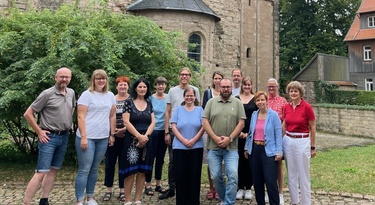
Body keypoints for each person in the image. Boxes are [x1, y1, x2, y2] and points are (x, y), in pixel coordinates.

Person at [23, 67, 75, 205]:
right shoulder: (47, 94)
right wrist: (39, 131)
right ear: (55, 77)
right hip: (48, 137)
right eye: (61, 76)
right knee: (40, 172)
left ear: (70, 78)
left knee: (53, 171)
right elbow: (28, 113)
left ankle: (44, 200)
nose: (64, 79)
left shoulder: (71, 92)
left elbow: (72, 108)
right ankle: (26, 202)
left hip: (64, 136)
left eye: (67, 77)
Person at [75, 69, 116, 205]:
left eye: (103, 78)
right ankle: (79, 199)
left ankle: (90, 197)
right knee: (84, 168)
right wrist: (84, 137)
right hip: (87, 136)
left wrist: (112, 134)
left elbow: (112, 116)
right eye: (98, 78)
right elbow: (80, 116)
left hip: (103, 137)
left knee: (94, 168)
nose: (101, 81)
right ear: (93, 80)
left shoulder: (110, 95)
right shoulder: (86, 95)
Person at [203, 78, 246, 205]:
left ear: (231, 88)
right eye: (223, 87)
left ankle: (228, 202)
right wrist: (215, 138)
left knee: (233, 175)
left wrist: (230, 138)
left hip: (231, 147)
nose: (226, 89)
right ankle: (223, 198)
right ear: (219, 87)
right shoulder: (211, 102)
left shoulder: (237, 103)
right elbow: (205, 122)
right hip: (213, 146)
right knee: (215, 176)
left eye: (228, 87)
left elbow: (241, 123)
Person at [160, 67, 200, 200]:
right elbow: (168, 111)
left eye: (186, 75)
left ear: (190, 76)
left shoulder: (195, 90)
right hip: (175, 130)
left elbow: (199, 109)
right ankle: (173, 188)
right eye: (182, 74)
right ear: (179, 76)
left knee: (189, 165)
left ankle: (188, 190)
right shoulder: (172, 90)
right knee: (173, 161)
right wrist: (167, 131)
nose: (184, 77)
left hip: (192, 131)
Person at [119, 78, 155, 205]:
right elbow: (126, 122)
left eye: (144, 87)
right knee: (130, 171)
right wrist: (139, 136)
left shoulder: (149, 103)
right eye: (140, 87)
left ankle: (138, 199)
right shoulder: (128, 102)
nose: (142, 89)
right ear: (135, 88)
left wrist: (145, 137)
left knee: (142, 171)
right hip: (131, 141)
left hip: (146, 141)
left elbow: (153, 122)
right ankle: (128, 200)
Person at [244, 91, 283, 205]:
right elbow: (251, 132)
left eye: (262, 100)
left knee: (270, 181)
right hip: (255, 150)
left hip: (269, 152)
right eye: (258, 100)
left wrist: (279, 151)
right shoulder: (254, 115)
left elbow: (278, 133)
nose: (260, 102)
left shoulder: (274, 115)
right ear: (255, 102)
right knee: (257, 181)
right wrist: (247, 147)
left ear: (266, 101)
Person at [283, 81, 317, 205]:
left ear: (300, 93)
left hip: (302, 140)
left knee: (303, 174)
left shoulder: (307, 107)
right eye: (291, 91)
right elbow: (284, 125)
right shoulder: (286, 107)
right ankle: (294, 201)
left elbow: (313, 127)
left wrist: (312, 147)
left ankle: (305, 202)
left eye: (295, 91)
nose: (293, 93)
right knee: (291, 173)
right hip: (288, 140)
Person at [171, 87, 205, 205]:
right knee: (180, 176)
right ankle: (181, 201)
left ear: (195, 97)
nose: (189, 98)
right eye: (187, 96)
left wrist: (194, 140)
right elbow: (174, 126)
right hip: (179, 147)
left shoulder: (200, 110)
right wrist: (183, 140)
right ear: (184, 97)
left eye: (191, 96)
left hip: (196, 147)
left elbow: (203, 126)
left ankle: (193, 201)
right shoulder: (178, 110)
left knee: (194, 176)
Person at [102, 76, 131, 202]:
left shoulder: (132, 100)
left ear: (128, 86)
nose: (123, 87)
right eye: (120, 85)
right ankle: (108, 190)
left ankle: (122, 191)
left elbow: (134, 118)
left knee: (124, 164)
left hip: (127, 135)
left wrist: (124, 129)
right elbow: (106, 117)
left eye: (125, 85)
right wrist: (112, 133)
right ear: (117, 86)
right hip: (112, 135)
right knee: (110, 164)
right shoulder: (111, 99)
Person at [144, 77, 168, 195]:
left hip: (164, 131)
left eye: (163, 84)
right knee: (150, 157)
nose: (160, 86)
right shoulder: (150, 98)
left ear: (165, 86)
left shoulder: (168, 97)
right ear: (155, 86)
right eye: (158, 84)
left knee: (160, 158)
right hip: (152, 131)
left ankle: (158, 183)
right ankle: (148, 184)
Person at [202, 71, 224, 200]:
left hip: (224, 131)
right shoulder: (208, 93)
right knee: (211, 160)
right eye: (215, 78)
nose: (217, 80)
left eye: (219, 78)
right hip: (211, 130)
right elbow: (205, 111)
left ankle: (220, 187)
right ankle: (211, 187)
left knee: (223, 162)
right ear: (212, 80)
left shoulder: (226, 93)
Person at [235, 77, 257, 200]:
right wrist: (238, 132)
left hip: (251, 135)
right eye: (245, 85)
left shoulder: (255, 99)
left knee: (249, 161)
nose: (247, 87)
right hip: (238, 135)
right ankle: (239, 187)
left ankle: (248, 187)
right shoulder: (236, 99)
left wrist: (248, 133)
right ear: (242, 86)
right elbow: (234, 116)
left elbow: (257, 118)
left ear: (251, 85)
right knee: (238, 161)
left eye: (249, 85)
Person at [267, 78, 288, 204]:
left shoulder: (283, 101)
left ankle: (280, 192)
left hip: (278, 137)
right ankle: (268, 191)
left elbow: (286, 118)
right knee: (266, 166)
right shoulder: (264, 99)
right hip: (266, 139)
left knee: (279, 165)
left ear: (277, 87)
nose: (271, 89)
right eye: (269, 86)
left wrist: (281, 132)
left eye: (273, 86)